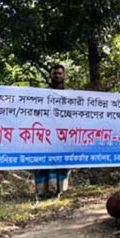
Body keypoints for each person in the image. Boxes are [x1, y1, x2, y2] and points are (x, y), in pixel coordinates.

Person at [34, 65, 70, 201]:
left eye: (60, 74)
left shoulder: (70, 94)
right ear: (51, 75)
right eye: (55, 74)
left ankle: (59, 191)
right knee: (43, 161)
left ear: (64, 75)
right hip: (45, 133)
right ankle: (42, 193)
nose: (57, 76)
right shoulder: (43, 93)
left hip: (63, 134)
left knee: (62, 162)